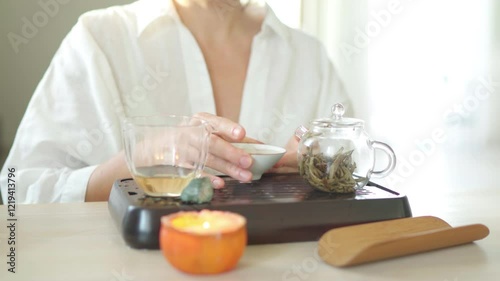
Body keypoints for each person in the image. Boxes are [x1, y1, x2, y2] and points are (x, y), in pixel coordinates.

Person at [0, 0, 351, 204]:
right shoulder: (99, 40)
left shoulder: (309, 58)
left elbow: (355, 181)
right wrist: (138, 160)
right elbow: (19, 190)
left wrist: (316, 173)